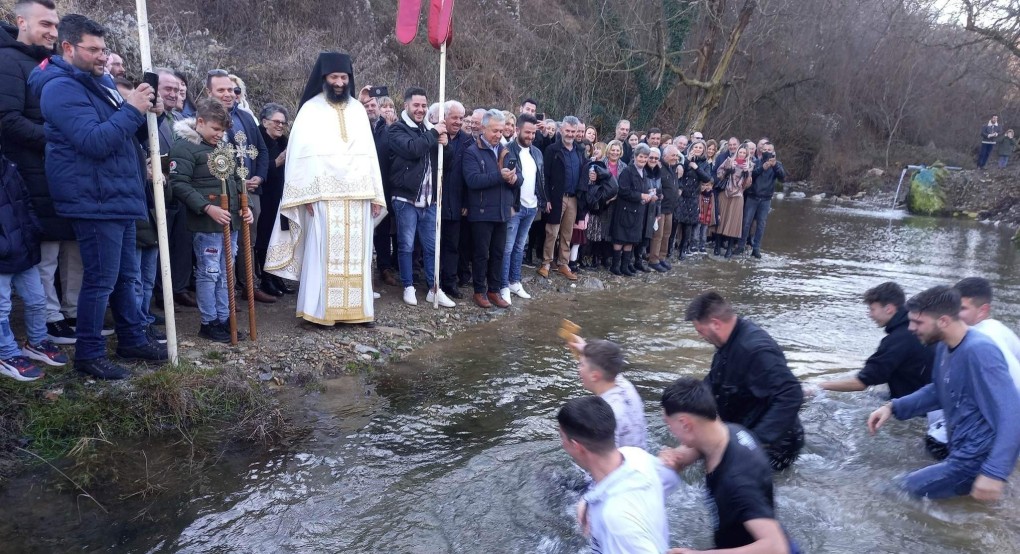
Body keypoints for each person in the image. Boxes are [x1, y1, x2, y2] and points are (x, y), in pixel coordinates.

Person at [30, 14, 168, 379]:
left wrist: (150, 112)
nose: (101, 56)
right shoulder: (60, 88)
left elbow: (124, 132)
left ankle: (131, 338)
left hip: (116, 194)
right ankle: (89, 355)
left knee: (124, 276)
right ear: (68, 47)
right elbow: (95, 141)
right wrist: (132, 109)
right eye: (93, 49)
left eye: (104, 49)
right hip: (94, 198)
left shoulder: (98, 83)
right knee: (101, 279)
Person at [265, 52, 388, 325]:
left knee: (358, 255)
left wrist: (376, 195)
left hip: (358, 198)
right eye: (334, 77)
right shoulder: (310, 110)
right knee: (322, 256)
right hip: (322, 197)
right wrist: (305, 194)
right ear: (324, 78)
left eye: (344, 77)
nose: (340, 82)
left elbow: (369, 156)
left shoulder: (357, 109)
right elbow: (301, 156)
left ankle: (359, 311)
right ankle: (319, 312)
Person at [867, 286, 1020, 501]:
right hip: (960, 449)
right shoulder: (944, 346)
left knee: (893, 492)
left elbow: (1013, 413)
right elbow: (939, 390)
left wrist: (995, 472)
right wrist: (893, 406)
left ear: (944, 321)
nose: (910, 328)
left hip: (975, 458)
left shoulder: (980, 351)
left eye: (918, 322)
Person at [0, 0, 82, 346]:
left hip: (59, 172)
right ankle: (48, 319)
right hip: (29, 174)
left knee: (68, 245)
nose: (52, 31)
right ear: (21, 21)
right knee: (45, 251)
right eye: (45, 24)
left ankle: (69, 313)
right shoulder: (7, 60)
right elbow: (7, 119)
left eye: (55, 25)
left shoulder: (53, 64)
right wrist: (59, 139)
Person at [660, 378, 798, 554]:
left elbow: (777, 548)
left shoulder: (736, 481)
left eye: (668, 423)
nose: (670, 430)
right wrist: (674, 457)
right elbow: (690, 449)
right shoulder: (730, 432)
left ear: (685, 423)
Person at [685, 291, 805, 470]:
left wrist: (754, 442)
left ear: (716, 324)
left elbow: (792, 394)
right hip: (742, 428)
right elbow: (714, 382)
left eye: (700, 331)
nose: (700, 336)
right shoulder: (728, 342)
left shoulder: (756, 350)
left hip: (774, 445)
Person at [170, 98, 254, 342]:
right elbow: (179, 184)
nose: (219, 134)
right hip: (208, 224)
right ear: (200, 122)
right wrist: (207, 207)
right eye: (215, 129)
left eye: (223, 131)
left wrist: (244, 207)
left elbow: (235, 181)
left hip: (231, 222)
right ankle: (209, 322)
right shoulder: (184, 147)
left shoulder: (223, 148)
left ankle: (225, 317)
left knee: (227, 270)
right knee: (209, 272)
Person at [558, 396, 672, 554]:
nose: (562, 444)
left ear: (577, 446)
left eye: (562, 437)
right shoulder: (636, 456)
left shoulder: (615, 519)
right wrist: (588, 499)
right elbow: (670, 478)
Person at [206, 68, 275, 304]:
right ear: (209, 92)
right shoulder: (204, 118)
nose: (228, 94)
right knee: (223, 242)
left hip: (251, 190)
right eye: (222, 90)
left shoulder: (245, 117)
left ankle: (248, 286)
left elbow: (261, 150)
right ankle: (226, 293)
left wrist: (260, 177)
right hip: (221, 193)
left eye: (232, 90)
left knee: (248, 239)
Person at [0, 149, 68, 381]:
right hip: (3, 253)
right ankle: (6, 353)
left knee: (38, 299)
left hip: (22, 247)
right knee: (1, 309)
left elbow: (25, 202)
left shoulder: (9, 166)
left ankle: (36, 342)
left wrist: (31, 230)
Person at [385, 86, 456, 308]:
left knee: (432, 246)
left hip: (430, 199)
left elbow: (447, 163)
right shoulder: (397, 130)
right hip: (406, 199)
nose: (420, 109)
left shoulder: (429, 129)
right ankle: (408, 286)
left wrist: (447, 146)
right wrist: (434, 133)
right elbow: (412, 149)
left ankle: (434, 288)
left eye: (424, 105)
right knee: (406, 245)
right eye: (416, 105)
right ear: (406, 105)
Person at [817, 282, 934, 398]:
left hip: (916, 407)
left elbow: (861, 383)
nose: (870, 315)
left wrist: (821, 386)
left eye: (872, 309)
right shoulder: (917, 329)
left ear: (889, 309)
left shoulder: (897, 340)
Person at [462, 109, 518, 309]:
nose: (498, 134)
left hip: (502, 211)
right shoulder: (472, 151)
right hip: (482, 212)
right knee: (481, 254)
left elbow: (518, 178)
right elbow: (472, 180)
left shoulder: (505, 149)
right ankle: (479, 291)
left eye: (501, 130)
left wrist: (514, 179)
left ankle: (494, 290)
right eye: (495, 130)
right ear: (483, 128)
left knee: (498, 253)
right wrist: (499, 176)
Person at [500, 113, 546, 304]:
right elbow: (506, 181)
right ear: (517, 130)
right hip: (514, 207)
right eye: (527, 132)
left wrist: (542, 200)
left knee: (520, 246)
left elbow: (541, 179)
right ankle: (503, 285)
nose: (531, 136)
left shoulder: (536, 152)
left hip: (531, 206)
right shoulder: (507, 150)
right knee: (508, 248)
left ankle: (515, 281)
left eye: (533, 133)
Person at [571, 337, 648, 449]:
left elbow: (607, 460)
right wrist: (586, 349)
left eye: (581, 365)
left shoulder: (604, 413)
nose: (579, 369)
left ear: (594, 376)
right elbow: (605, 361)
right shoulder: (625, 385)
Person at [538, 116, 587, 281]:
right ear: (561, 130)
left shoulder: (579, 151)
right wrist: (547, 199)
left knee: (567, 232)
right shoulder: (552, 150)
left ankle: (563, 263)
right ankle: (546, 263)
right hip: (556, 196)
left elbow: (584, 172)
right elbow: (545, 176)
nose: (570, 134)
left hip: (573, 198)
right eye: (568, 130)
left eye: (573, 131)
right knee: (552, 231)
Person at [954, 277, 1020, 391]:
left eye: (962, 308)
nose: (953, 313)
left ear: (983, 310)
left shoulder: (980, 339)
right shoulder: (998, 327)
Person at [437, 100, 471, 300]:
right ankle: (433, 281)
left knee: (452, 245)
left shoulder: (468, 141)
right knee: (433, 244)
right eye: (454, 118)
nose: (458, 122)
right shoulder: (436, 136)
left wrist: (466, 202)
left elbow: (468, 175)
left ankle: (449, 282)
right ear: (445, 117)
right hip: (435, 199)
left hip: (457, 201)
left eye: (461, 118)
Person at [255, 103, 290, 297]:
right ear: (265, 121)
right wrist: (277, 162)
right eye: (277, 122)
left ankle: (277, 276)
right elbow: (255, 168)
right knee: (264, 237)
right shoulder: (258, 140)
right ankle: (265, 278)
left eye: (283, 123)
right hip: (264, 195)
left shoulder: (284, 141)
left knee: (278, 237)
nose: (280, 126)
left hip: (280, 195)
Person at [610, 143, 653, 276]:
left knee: (631, 239)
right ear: (635, 156)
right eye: (641, 157)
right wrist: (641, 195)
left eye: (645, 158)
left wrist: (650, 195)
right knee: (620, 239)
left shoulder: (644, 172)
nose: (643, 160)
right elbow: (623, 191)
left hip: (638, 210)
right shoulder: (627, 171)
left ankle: (625, 266)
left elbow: (643, 190)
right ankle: (615, 266)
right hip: (624, 210)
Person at [738, 142, 785, 258]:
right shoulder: (756, 162)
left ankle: (756, 248)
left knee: (761, 224)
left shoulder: (777, 164)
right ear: (761, 151)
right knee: (746, 223)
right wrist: (761, 169)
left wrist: (775, 166)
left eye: (769, 149)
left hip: (766, 199)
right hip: (753, 196)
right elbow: (750, 176)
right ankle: (740, 246)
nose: (767, 152)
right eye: (765, 149)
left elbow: (782, 178)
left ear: (773, 152)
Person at [673, 141, 713, 262]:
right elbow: (679, 173)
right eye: (695, 147)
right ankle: (670, 249)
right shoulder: (684, 159)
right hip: (682, 194)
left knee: (688, 224)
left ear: (703, 150)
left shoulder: (705, 163)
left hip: (693, 196)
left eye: (700, 147)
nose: (698, 149)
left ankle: (683, 249)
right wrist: (687, 161)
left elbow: (707, 178)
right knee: (676, 221)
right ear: (691, 148)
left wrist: (696, 167)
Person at [713, 146, 752, 258]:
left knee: (734, 222)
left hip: (738, 195)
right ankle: (717, 246)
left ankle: (729, 248)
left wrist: (746, 173)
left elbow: (747, 185)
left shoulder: (749, 165)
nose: (741, 154)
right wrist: (728, 170)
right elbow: (719, 174)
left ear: (747, 154)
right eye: (740, 152)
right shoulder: (729, 160)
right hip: (725, 193)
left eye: (744, 152)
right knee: (722, 220)